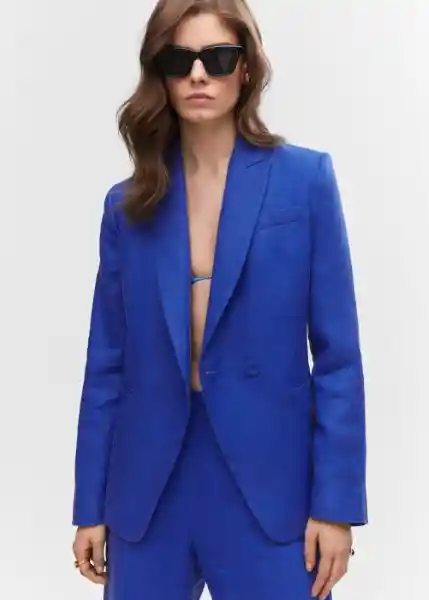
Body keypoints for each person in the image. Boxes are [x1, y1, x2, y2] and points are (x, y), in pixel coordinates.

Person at [71, 0, 368, 599]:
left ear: (247, 68)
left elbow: (338, 357)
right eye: (179, 60)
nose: (198, 74)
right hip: (148, 492)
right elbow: (106, 364)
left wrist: (336, 506)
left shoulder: (304, 181)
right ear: (160, 74)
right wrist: (90, 506)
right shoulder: (128, 205)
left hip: (271, 490)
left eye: (219, 57)